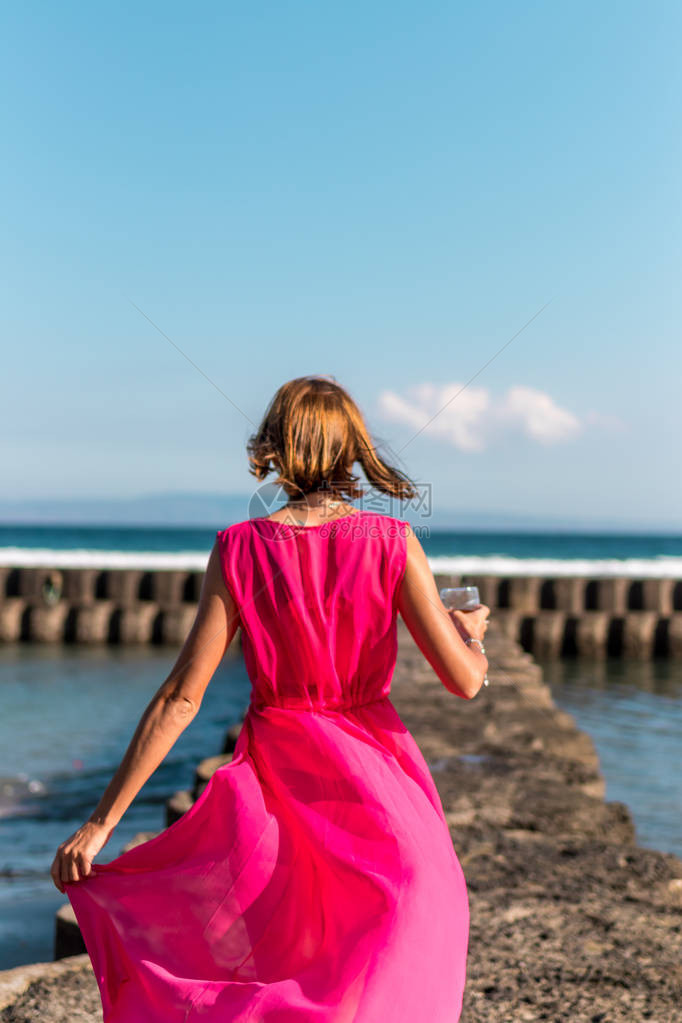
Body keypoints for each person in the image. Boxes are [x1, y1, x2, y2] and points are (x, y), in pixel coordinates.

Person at [52, 375, 489, 1022]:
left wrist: (101, 824)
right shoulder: (394, 541)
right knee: (412, 921)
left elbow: (180, 697)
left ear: (277, 449)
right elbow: (465, 680)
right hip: (376, 780)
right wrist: (470, 635)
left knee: (285, 957)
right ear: (352, 451)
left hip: (276, 786)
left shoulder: (239, 547)